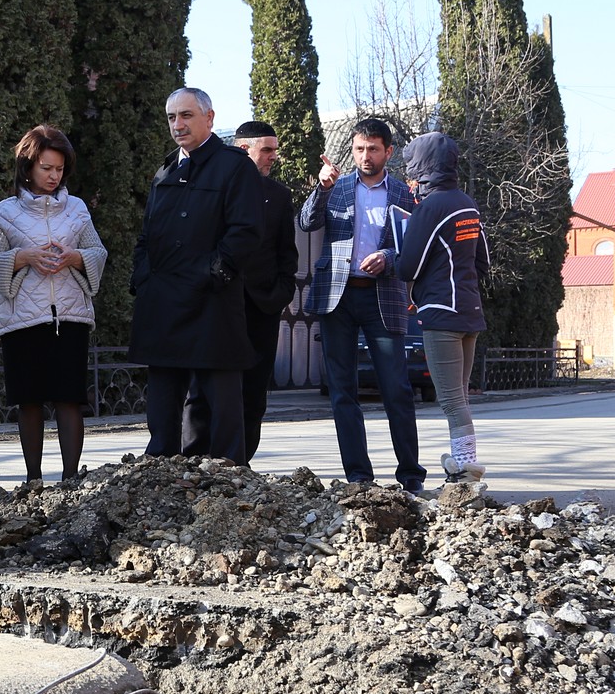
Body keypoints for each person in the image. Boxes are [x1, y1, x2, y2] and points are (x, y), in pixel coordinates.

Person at [128, 87, 261, 462]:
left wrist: (212, 274)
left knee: (220, 401)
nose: (178, 125)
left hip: (211, 302)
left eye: (186, 115)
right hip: (163, 301)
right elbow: (147, 234)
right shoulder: (166, 169)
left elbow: (246, 232)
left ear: (209, 118)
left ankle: (228, 476)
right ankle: (160, 473)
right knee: (163, 400)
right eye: (172, 117)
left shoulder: (234, 167)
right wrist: (144, 276)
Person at [299, 116, 423, 491]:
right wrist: (320, 188)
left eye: (372, 149)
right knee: (342, 390)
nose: (364, 156)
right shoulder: (335, 186)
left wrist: (388, 254)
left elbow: (410, 246)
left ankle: (411, 475)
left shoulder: (403, 193)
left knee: (396, 388)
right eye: (358, 149)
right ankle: (359, 476)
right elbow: (306, 223)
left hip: (382, 296)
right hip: (337, 295)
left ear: (388, 151)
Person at [0, 125, 106, 485]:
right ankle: (33, 479)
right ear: (28, 166)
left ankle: (69, 479)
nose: (53, 176)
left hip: (70, 315)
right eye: (46, 168)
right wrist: (23, 257)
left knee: (69, 398)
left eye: (60, 169)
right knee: (29, 401)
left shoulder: (77, 209)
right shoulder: (4, 212)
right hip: (21, 320)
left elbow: (97, 251)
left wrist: (75, 257)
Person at [180, 119, 300, 463]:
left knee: (253, 391)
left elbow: (285, 253)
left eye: (275, 151)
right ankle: (193, 462)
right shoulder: (213, 185)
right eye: (267, 150)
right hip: (216, 304)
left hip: (261, 307)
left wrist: (281, 294)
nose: (273, 157)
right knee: (201, 388)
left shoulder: (278, 195)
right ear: (243, 149)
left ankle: (239, 465)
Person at [394, 132, 490, 483]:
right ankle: (463, 466)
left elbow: (408, 267)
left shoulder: (431, 206)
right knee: (460, 396)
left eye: (411, 168)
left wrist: (391, 256)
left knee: (450, 400)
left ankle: (465, 469)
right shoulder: (467, 202)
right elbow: (482, 261)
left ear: (422, 168)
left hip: (439, 313)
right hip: (469, 310)